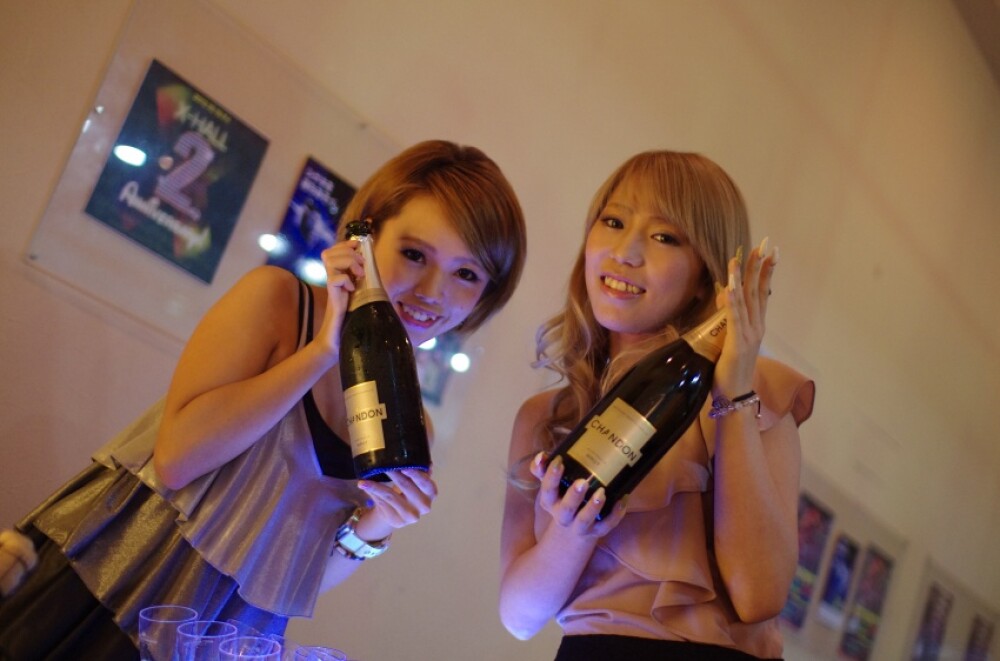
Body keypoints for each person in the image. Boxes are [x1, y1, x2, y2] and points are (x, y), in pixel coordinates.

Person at [0, 139, 526, 659]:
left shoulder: (413, 421)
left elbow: (297, 579)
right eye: (414, 254)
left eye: (467, 274)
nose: (432, 290)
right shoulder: (277, 300)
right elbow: (178, 459)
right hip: (111, 583)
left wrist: (380, 524)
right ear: (364, 241)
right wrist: (324, 350)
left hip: (219, 639)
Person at [499, 150, 814, 660]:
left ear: (705, 273)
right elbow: (519, 618)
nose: (626, 252)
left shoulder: (760, 391)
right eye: (613, 222)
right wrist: (573, 532)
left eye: (665, 237)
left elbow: (761, 595)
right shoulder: (547, 415)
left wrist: (732, 395)